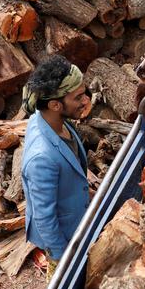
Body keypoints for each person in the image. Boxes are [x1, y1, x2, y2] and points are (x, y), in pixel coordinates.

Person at [20, 56, 93, 263]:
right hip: (65, 241)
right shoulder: (41, 158)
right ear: (55, 105)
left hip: (78, 221)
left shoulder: (50, 120)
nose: (86, 101)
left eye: (84, 94)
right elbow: (44, 217)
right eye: (78, 98)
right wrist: (63, 258)